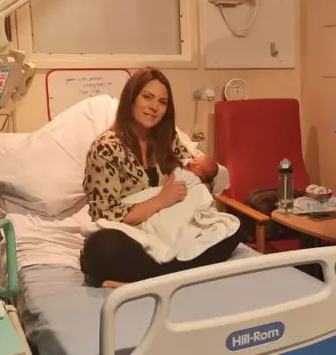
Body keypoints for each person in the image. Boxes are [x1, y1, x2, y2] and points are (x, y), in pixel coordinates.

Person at [79, 67, 242, 288]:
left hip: (171, 229)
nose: (154, 107)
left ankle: (153, 278)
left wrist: (195, 187)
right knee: (101, 248)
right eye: (147, 97)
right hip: (133, 236)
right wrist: (161, 200)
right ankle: (177, 275)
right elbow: (105, 215)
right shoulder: (105, 148)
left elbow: (195, 173)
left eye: (162, 102)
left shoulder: (168, 139)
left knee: (231, 227)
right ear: (131, 99)